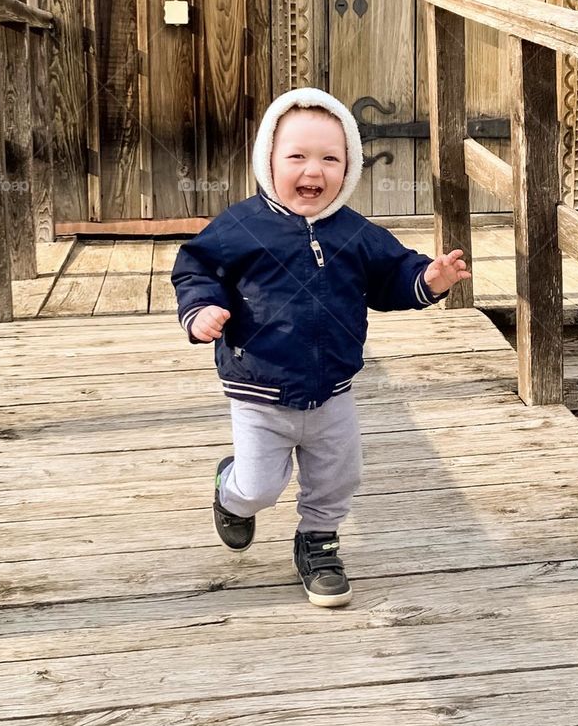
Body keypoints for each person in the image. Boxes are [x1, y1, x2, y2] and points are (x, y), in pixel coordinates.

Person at [171, 87, 471, 607]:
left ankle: (319, 542)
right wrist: (201, 311)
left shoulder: (355, 233)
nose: (314, 171)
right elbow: (196, 268)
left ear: (349, 166)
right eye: (297, 156)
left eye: (330, 158)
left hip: (332, 389)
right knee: (260, 487)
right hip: (257, 387)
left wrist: (429, 277)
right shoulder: (240, 227)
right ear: (269, 160)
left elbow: (392, 276)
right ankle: (231, 489)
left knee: (338, 476)